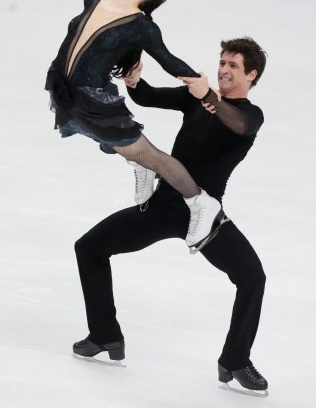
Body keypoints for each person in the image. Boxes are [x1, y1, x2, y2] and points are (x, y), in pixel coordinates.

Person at [73, 37, 268, 392]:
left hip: (205, 214)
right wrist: (133, 81)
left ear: (251, 75)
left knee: (253, 278)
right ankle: (104, 334)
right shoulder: (195, 100)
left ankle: (235, 360)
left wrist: (208, 96)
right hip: (165, 207)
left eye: (233, 66)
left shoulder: (249, 115)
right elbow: (147, 96)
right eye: (222, 62)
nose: (224, 70)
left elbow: (237, 125)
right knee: (89, 247)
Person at [44, 0, 223, 251]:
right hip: (67, 94)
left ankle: (200, 202)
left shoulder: (142, 27)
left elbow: (168, 59)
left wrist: (200, 86)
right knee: (110, 141)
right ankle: (140, 165)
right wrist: (132, 58)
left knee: (153, 157)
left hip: (94, 104)